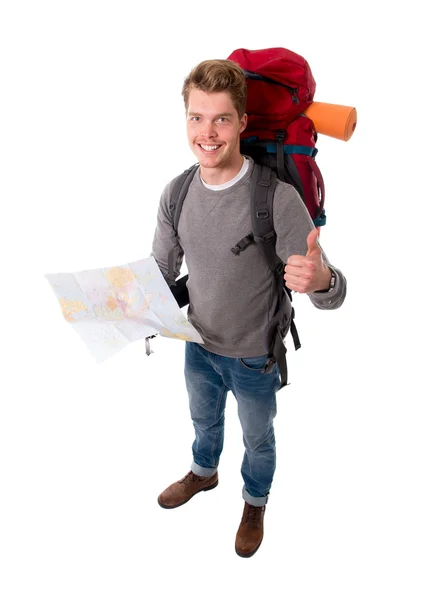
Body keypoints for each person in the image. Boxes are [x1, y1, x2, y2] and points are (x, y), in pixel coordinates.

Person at [150, 59, 346, 558]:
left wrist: (320, 277)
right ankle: (204, 472)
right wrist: (114, 302)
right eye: (197, 117)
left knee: (258, 438)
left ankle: (255, 500)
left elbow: (331, 290)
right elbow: (160, 271)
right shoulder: (176, 192)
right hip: (198, 345)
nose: (207, 132)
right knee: (204, 423)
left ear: (241, 122)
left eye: (220, 119)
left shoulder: (275, 197)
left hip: (254, 355)